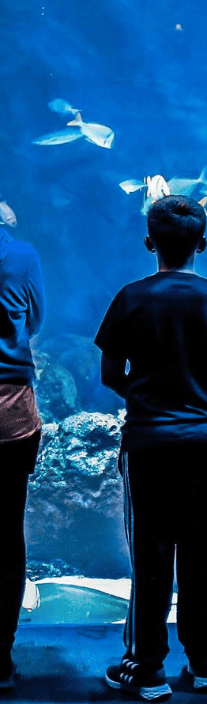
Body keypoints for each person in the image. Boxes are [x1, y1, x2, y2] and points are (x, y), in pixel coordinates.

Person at [96, 196, 207, 701]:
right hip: (204, 441)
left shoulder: (130, 298)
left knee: (151, 550)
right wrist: (202, 399)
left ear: (149, 242)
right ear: (203, 245)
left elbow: (109, 374)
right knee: (205, 546)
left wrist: (151, 399)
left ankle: (147, 668)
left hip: (148, 442)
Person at [0, 225, 45, 691]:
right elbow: (34, 320)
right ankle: (0, 660)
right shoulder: (21, 253)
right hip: (9, 410)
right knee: (7, 536)